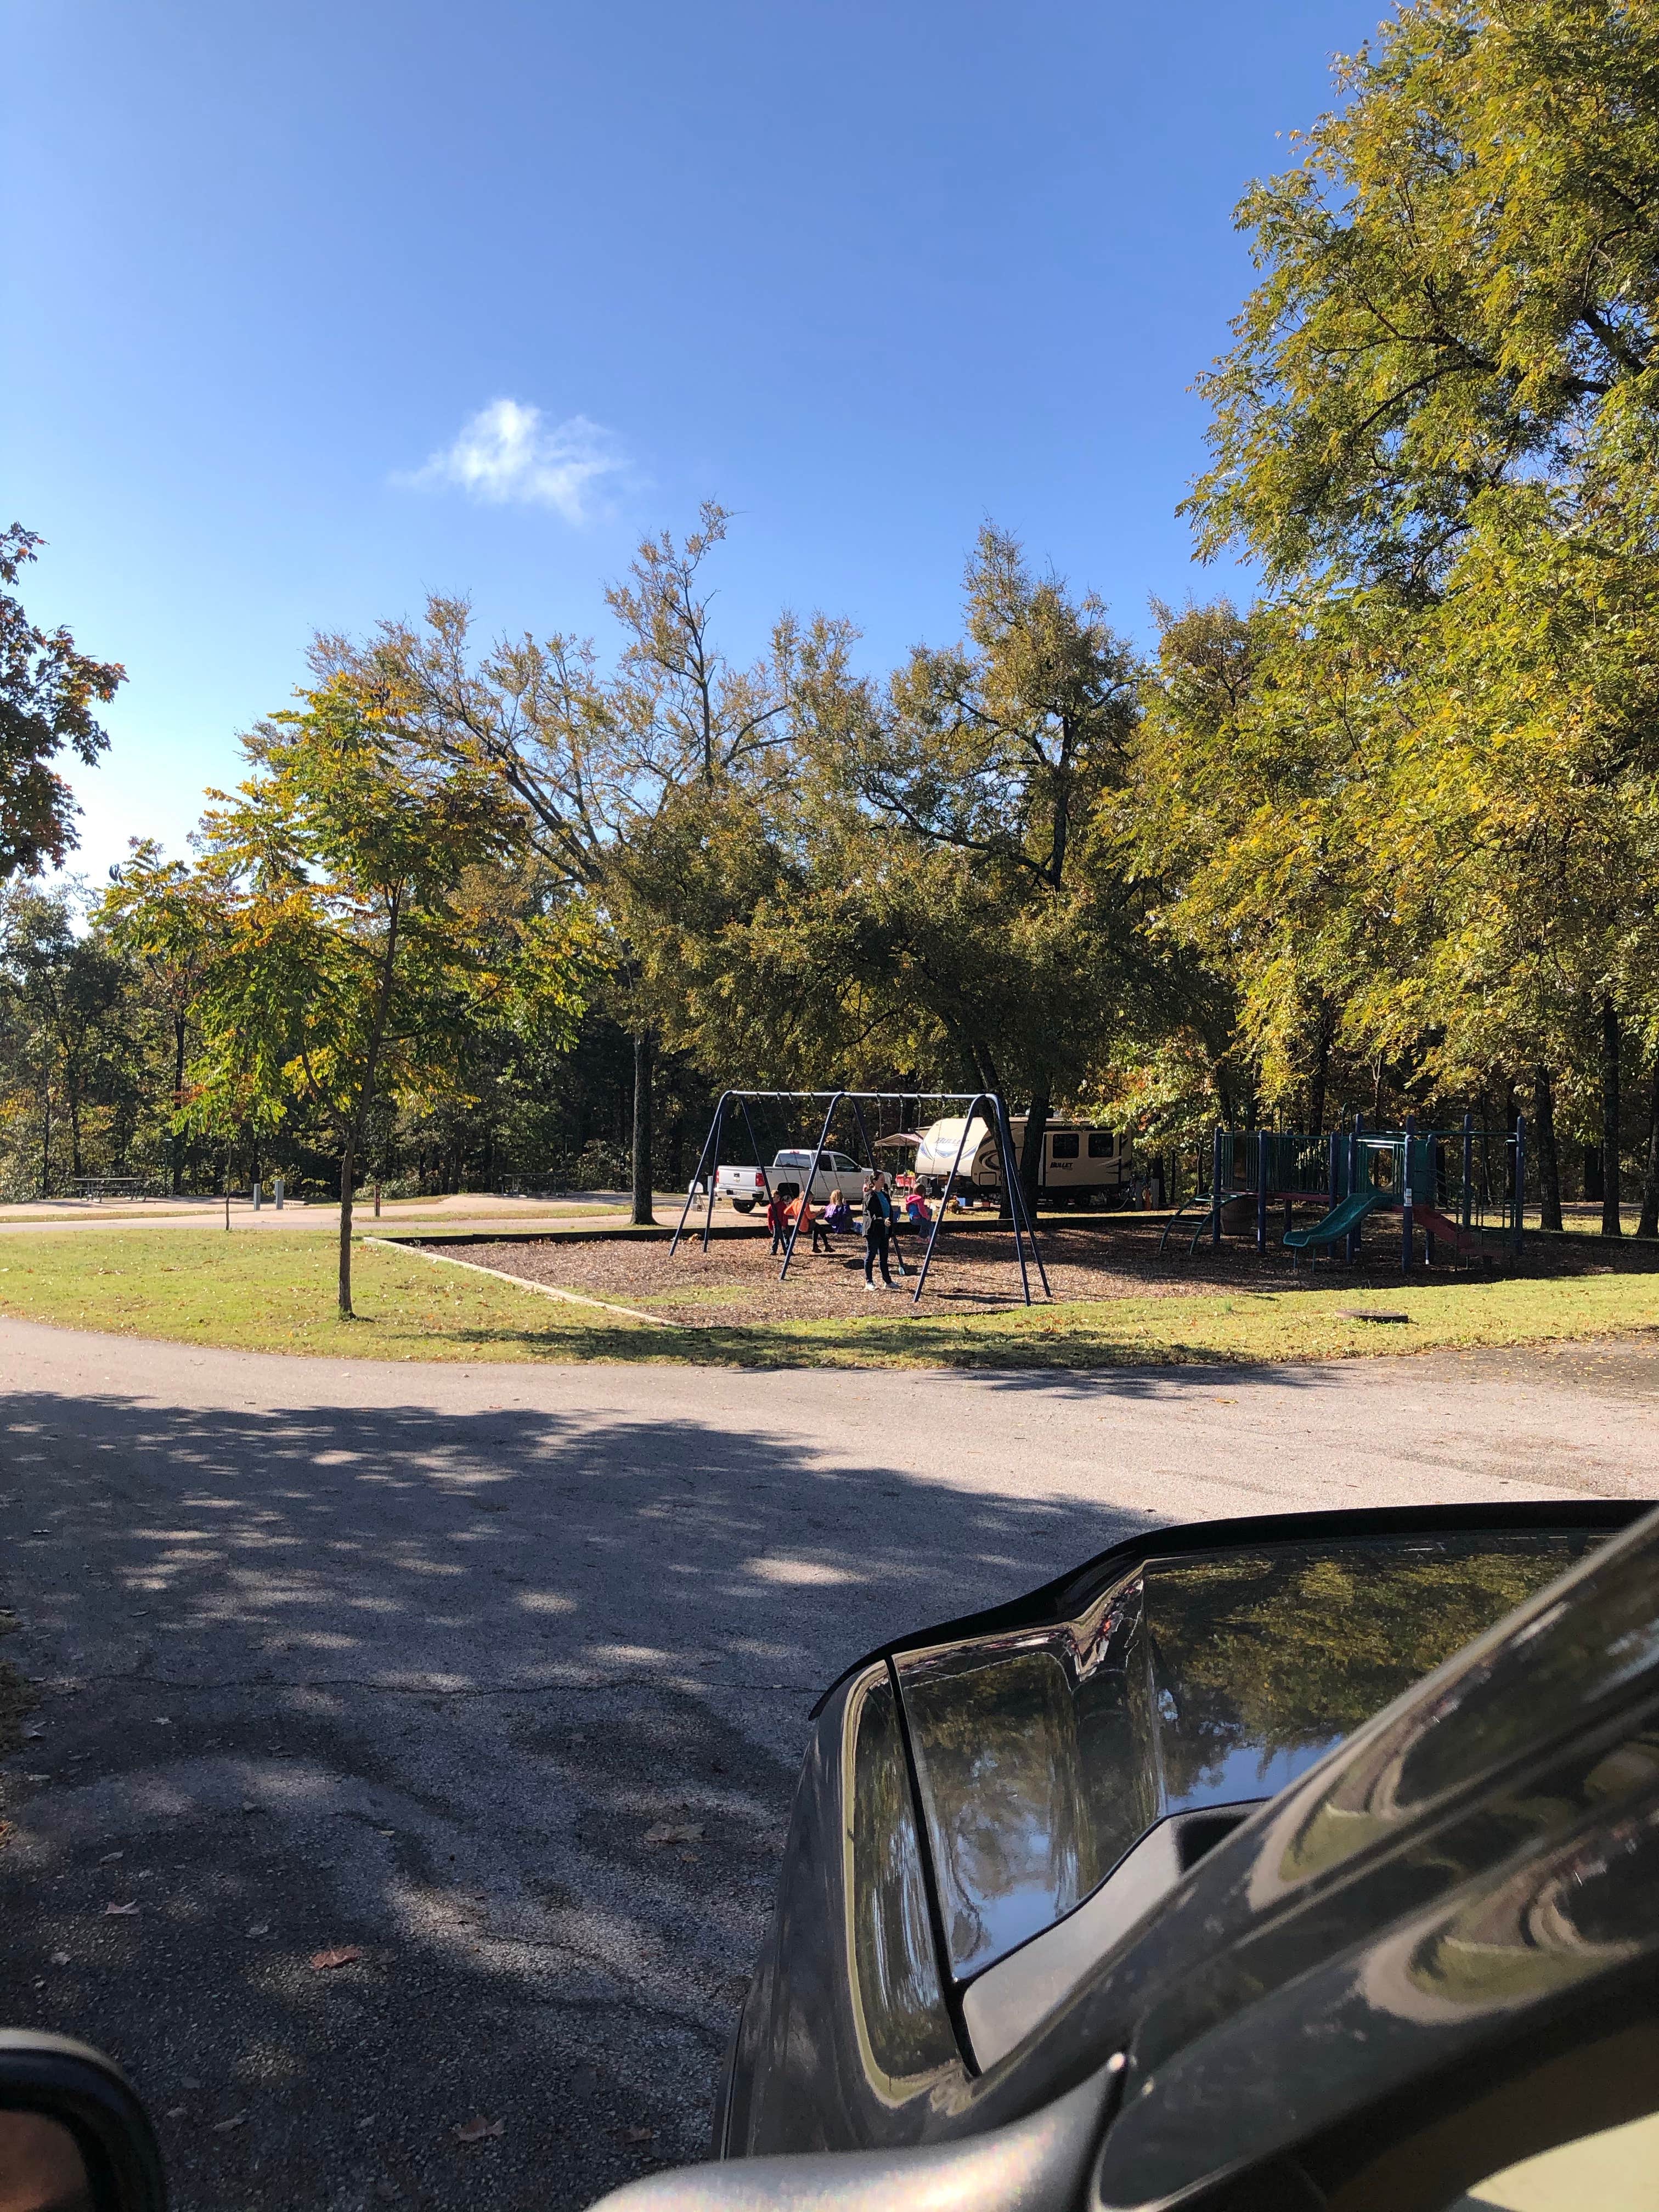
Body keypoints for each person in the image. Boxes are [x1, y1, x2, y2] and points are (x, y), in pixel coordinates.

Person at [862, 1172, 896, 1288]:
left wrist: (891, 1227)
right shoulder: (870, 1196)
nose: (883, 1181)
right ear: (874, 1181)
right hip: (874, 1230)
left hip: (885, 1230)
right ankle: (869, 1281)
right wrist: (883, 1221)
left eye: (884, 1179)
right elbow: (871, 1215)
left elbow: (889, 1211)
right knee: (871, 1255)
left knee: (884, 1257)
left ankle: (888, 1281)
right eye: (881, 1179)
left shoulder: (885, 1195)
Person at [767, 1181, 798, 1256]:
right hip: (776, 1224)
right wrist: (770, 1227)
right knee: (776, 1238)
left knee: (786, 1237)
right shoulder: (771, 1207)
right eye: (774, 1198)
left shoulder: (782, 1205)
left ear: (779, 1198)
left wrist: (784, 1225)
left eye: (777, 1198)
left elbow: (785, 1215)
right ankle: (774, 1250)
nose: (776, 1199)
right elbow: (769, 1218)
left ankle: (788, 1250)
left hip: (783, 1223)